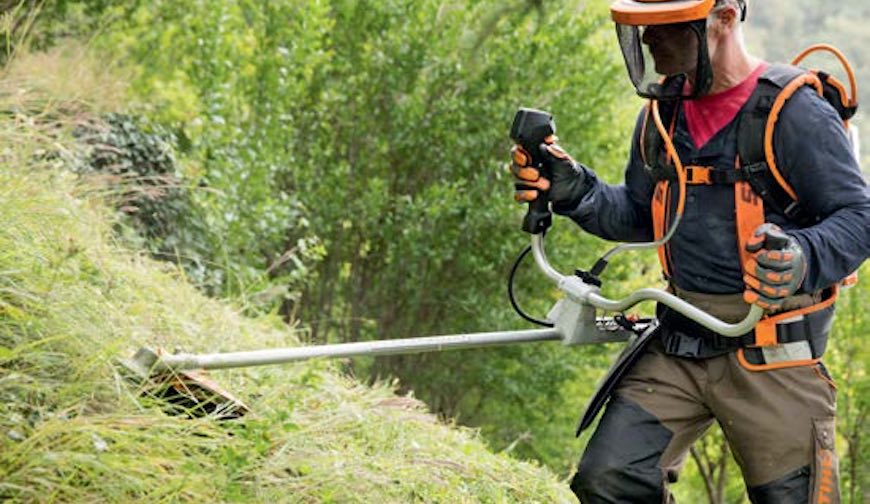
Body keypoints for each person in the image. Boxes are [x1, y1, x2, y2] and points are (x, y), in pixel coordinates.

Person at [510, 0, 870, 502]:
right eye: (642, 32)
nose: (650, 44)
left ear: (722, 19)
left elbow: (859, 216)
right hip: (681, 341)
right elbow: (642, 215)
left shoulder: (794, 114)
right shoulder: (661, 116)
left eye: (665, 30)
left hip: (771, 351)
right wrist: (577, 192)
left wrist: (803, 256)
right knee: (609, 479)